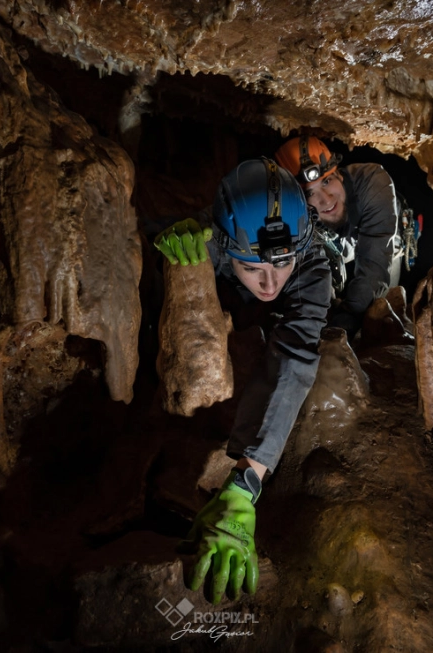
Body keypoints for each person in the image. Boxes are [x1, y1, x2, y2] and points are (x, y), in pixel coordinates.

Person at [153, 158, 332, 604]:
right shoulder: (209, 241)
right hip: (230, 314)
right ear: (227, 246)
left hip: (270, 325)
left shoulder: (311, 267)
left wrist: (244, 484)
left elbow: (293, 362)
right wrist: (162, 246)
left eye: (281, 262)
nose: (270, 281)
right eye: (253, 267)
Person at [275, 135, 414, 338]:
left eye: (327, 181)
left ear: (338, 174)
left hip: (383, 239)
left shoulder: (373, 182)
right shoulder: (294, 217)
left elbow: (374, 265)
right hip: (336, 243)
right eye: (309, 194)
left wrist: (345, 320)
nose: (325, 199)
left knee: (379, 309)